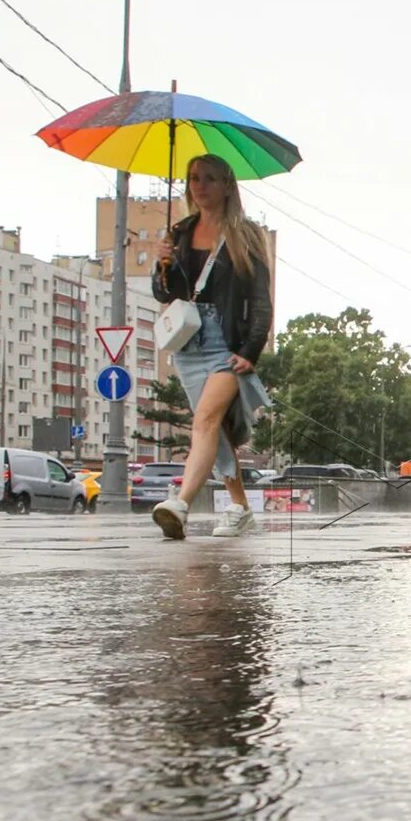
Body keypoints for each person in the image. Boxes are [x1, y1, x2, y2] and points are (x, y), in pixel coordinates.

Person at [149, 154, 274, 540]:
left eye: (208, 178)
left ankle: (181, 504)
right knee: (213, 429)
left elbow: (260, 299)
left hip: (226, 342)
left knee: (203, 419)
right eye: (192, 179)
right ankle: (239, 507)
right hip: (188, 343)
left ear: (226, 185)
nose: (198, 185)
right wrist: (163, 265)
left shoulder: (245, 234)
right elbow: (164, 294)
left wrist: (251, 351)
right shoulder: (181, 232)